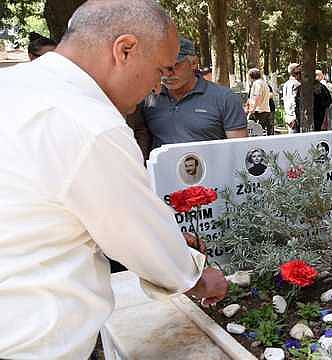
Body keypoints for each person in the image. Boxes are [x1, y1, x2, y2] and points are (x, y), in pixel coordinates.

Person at [0, 1, 229, 358]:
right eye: (159, 69)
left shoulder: (14, 85)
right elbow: (138, 235)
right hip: (34, 340)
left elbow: (49, 209)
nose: (157, 86)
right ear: (124, 50)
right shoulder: (88, 122)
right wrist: (197, 277)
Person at [142, 37, 247, 149]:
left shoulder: (224, 98)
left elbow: (240, 151)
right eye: (161, 67)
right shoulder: (148, 99)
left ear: (193, 63)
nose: (167, 74)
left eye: (175, 65)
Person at [246, 68, 273, 136]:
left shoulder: (257, 83)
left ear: (250, 76)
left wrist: (252, 109)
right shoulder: (264, 83)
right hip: (266, 109)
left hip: (259, 111)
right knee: (264, 132)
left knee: (258, 133)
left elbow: (258, 96)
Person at [283, 63, 302, 133]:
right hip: (294, 118)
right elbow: (293, 101)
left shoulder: (286, 84)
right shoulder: (297, 84)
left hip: (289, 116)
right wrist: (294, 117)